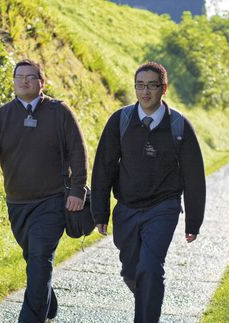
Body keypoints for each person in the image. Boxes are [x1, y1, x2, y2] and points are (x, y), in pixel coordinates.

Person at [0, 59, 88, 323]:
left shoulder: (60, 112)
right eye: (19, 76)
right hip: (17, 203)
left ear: (42, 82)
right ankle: (47, 304)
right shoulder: (1, 116)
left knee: (39, 256)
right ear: (13, 81)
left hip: (52, 200)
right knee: (34, 259)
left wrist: (77, 190)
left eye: (30, 76)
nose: (24, 81)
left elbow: (78, 152)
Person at [91, 61, 206, 323]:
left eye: (152, 85)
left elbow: (194, 176)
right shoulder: (121, 121)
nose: (145, 92)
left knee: (151, 268)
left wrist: (193, 221)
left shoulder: (178, 125)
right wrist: (100, 211)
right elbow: (104, 167)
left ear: (163, 88)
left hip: (163, 207)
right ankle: (148, 297)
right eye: (140, 85)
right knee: (132, 271)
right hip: (127, 208)